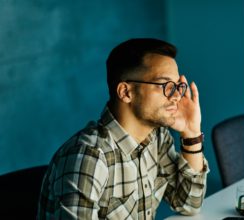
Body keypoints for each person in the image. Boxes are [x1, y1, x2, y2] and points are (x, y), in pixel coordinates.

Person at [37, 38, 209, 219]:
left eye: (177, 86)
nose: (176, 96)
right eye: (165, 85)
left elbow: (189, 204)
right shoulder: (89, 156)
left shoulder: (157, 137)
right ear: (126, 92)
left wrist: (191, 133)